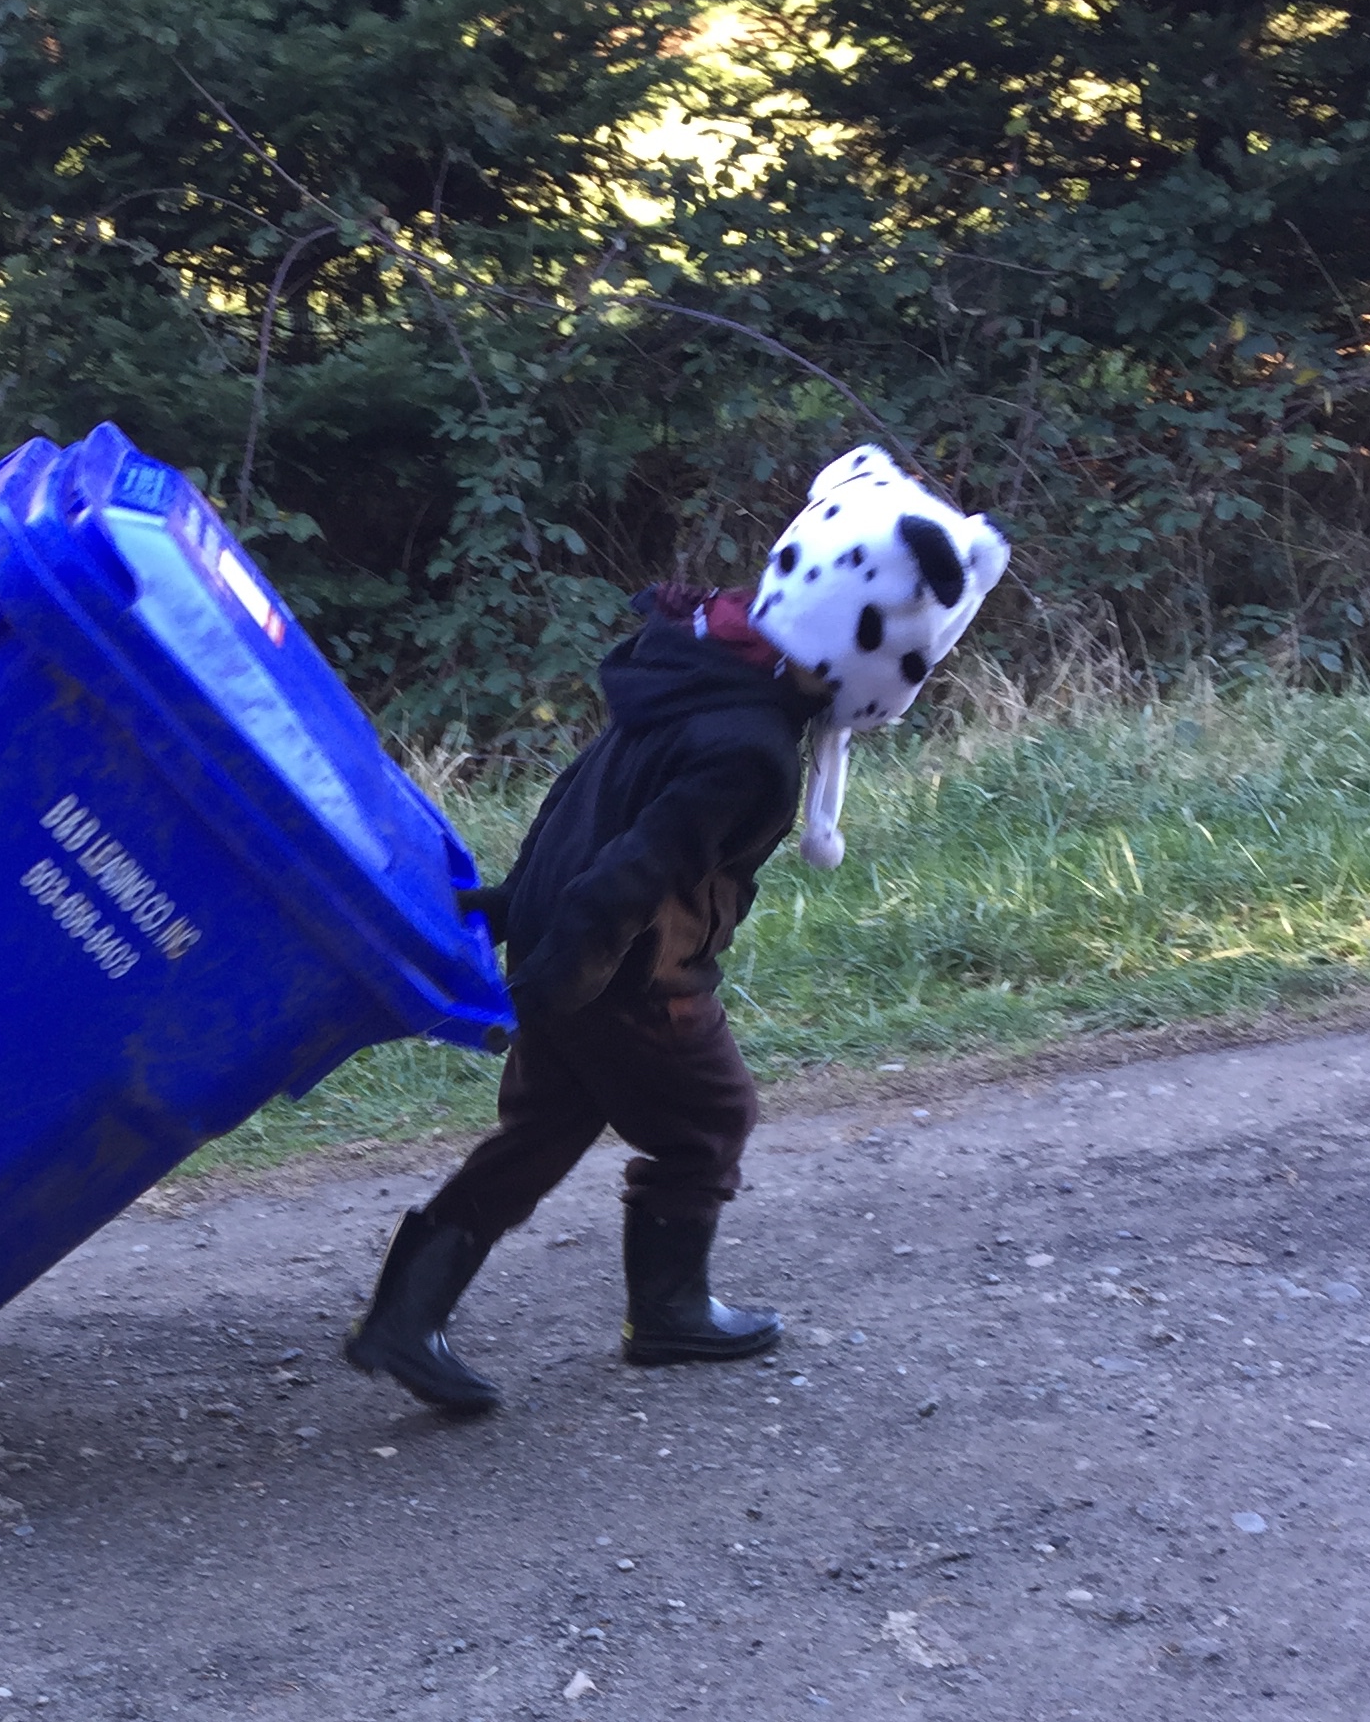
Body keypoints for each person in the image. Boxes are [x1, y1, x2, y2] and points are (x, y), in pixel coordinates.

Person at [345, 449, 1010, 1412]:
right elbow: (639, 865)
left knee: (542, 1132)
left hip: (567, 947)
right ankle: (669, 1313)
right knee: (710, 1120)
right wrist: (555, 979)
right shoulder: (751, 749)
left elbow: (580, 802)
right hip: (628, 975)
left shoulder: (689, 664)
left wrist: (521, 911)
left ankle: (406, 1317)